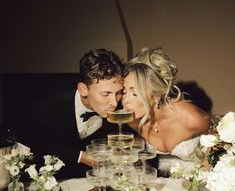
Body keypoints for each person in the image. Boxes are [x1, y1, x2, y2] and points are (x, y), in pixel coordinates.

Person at [20, 49, 126, 179]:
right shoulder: (48, 107)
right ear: (83, 89)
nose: (114, 103)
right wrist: (79, 156)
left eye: (119, 92)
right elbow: (38, 145)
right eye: (106, 94)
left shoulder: (122, 109)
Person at [122, 47, 211, 172]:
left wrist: (204, 171)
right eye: (124, 92)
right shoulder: (132, 119)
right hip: (167, 177)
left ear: (157, 95)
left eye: (135, 94)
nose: (125, 100)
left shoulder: (191, 118)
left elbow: (219, 135)